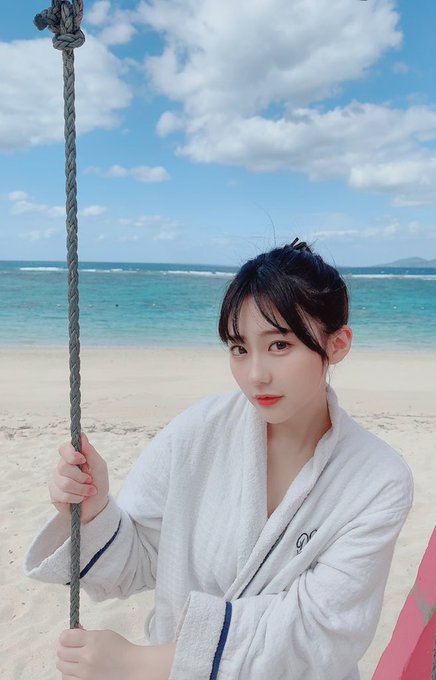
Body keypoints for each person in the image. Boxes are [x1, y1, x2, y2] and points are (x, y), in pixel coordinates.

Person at [24, 239, 413, 680]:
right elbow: (141, 560)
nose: (256, 374)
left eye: (280, 345)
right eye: (239, 349)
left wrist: (138, 663)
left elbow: (319, 632)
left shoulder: (378, 479)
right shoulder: (196, 432)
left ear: (337, 344)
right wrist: (93, 508)